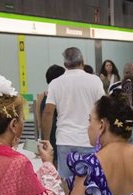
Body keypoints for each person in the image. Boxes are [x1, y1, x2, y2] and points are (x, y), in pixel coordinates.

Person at [42, 47, 105, 179]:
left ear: (65, 64)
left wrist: (46, 140)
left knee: (66, 182)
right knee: (90, 183)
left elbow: (48, 113)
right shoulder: (95, 81)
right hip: (89, 140)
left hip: (64, 140)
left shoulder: (55, 83)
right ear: (82, 61)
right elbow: (103, 107)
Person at [35, 65, 65, 165]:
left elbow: (39, 121)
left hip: (46, 133)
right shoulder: (61, 95)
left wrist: (42, 137)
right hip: (59, 134)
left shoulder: (41, 95)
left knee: (49, 164)